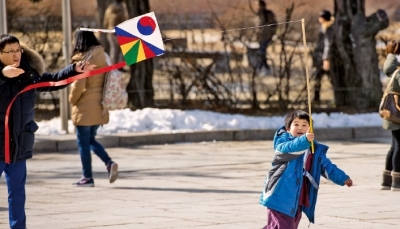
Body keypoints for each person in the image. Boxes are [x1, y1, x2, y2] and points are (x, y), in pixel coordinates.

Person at [0, 34, 95, 228]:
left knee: (17, 192)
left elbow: (52, 81)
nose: (16, 55)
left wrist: (73, 70)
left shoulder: (28, 74)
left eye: (18, 50)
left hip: (18, 144)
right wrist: (2, 75)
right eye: (10, 52)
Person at [259, 110, 353, 228]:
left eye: (304, 125)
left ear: (310, 130)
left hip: (299, 196)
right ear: (288, 128)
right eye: (296, 124)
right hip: (280, 193)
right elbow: (287, 150)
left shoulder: (314, 149)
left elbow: (327, 167)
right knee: (282, 226)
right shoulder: (283, 142)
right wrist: (304, 141)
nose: (300, 128)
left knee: (289, 225)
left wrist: (342, 178)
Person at [69, 30, 119, 187]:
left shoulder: (81, 59)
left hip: (84, 108)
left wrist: (72, 100)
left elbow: (79, 85)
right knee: (90, 140)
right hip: (100, 106)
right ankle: (109, 163)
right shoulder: (103, 57)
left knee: (83, 143)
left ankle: (87, 177)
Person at [381, 40, 400, 191]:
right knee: (399, 146)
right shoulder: (398, 71)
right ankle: (397, 182)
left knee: (394, 146)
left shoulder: (391, 68)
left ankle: (386, 181)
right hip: (398, 113)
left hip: (392, 113)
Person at [312, 10, 334, 102]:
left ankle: (337, 98)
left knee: (332, 79)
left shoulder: (328, 29)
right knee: (317, 78)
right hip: (319, 58)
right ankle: (316, 98)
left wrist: (326, 59)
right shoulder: (323, 27)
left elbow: (328, 45)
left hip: (323, 59)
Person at [250, 0, 277, 76]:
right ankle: (264, 68)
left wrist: (271, 33)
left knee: (262, 52)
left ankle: (260, 68)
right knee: (262, 53)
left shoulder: (268, 14)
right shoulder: (257, 15)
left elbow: (274, 24)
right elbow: (257, 27)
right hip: (260, 37)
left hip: (267, 36)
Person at [103, 0, 129, 67]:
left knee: (113, 50)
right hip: (119, 31)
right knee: (121, 50)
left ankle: (112, 65)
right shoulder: (122, 10)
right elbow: (123, 21)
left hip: (110, 32)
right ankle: (119, 66)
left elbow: (105, 22)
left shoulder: (108, 10)